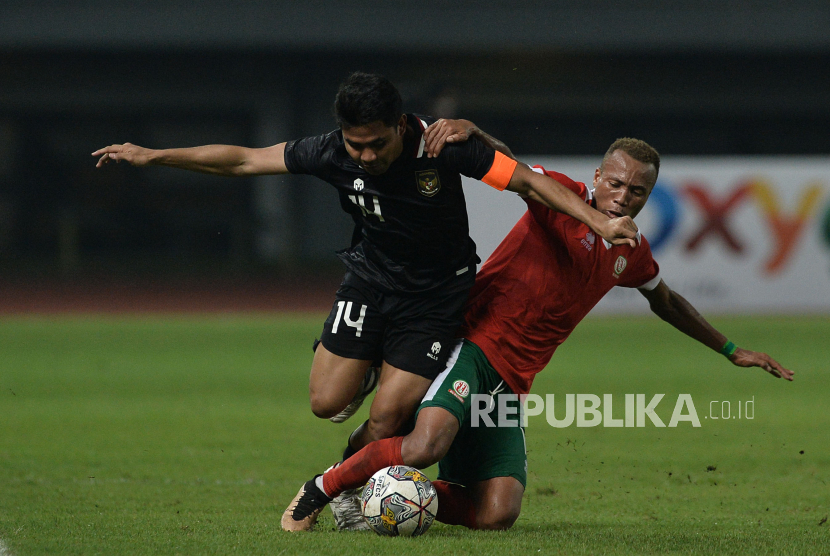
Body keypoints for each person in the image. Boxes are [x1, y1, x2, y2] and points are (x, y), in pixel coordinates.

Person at [91, 73, 637, 503]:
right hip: (370, 282)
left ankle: (343, 485)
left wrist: (599, 222)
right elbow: (243, 160)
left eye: (376, 144)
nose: (367, 157)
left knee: (385, 417)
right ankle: (373, 362)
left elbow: (526, 180)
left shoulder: (441, 146)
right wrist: (152, 156)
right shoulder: (330, 150)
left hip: (435, 298)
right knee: (326, 403)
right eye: (357, 146)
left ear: (400, 124)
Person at [280, 121, 794, 532]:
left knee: (498, 512)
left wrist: (731, 349)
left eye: (637, 191)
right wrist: (472, 132)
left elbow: (666, 301)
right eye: (615, 183)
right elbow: (515, 169)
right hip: (473, 344)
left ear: (649, 196)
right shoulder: (561, 199)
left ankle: (394, 496)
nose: (622, 196)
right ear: (597, 177)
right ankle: (317, 492)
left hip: (514, 378)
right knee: (423, 446)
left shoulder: (630, 252)